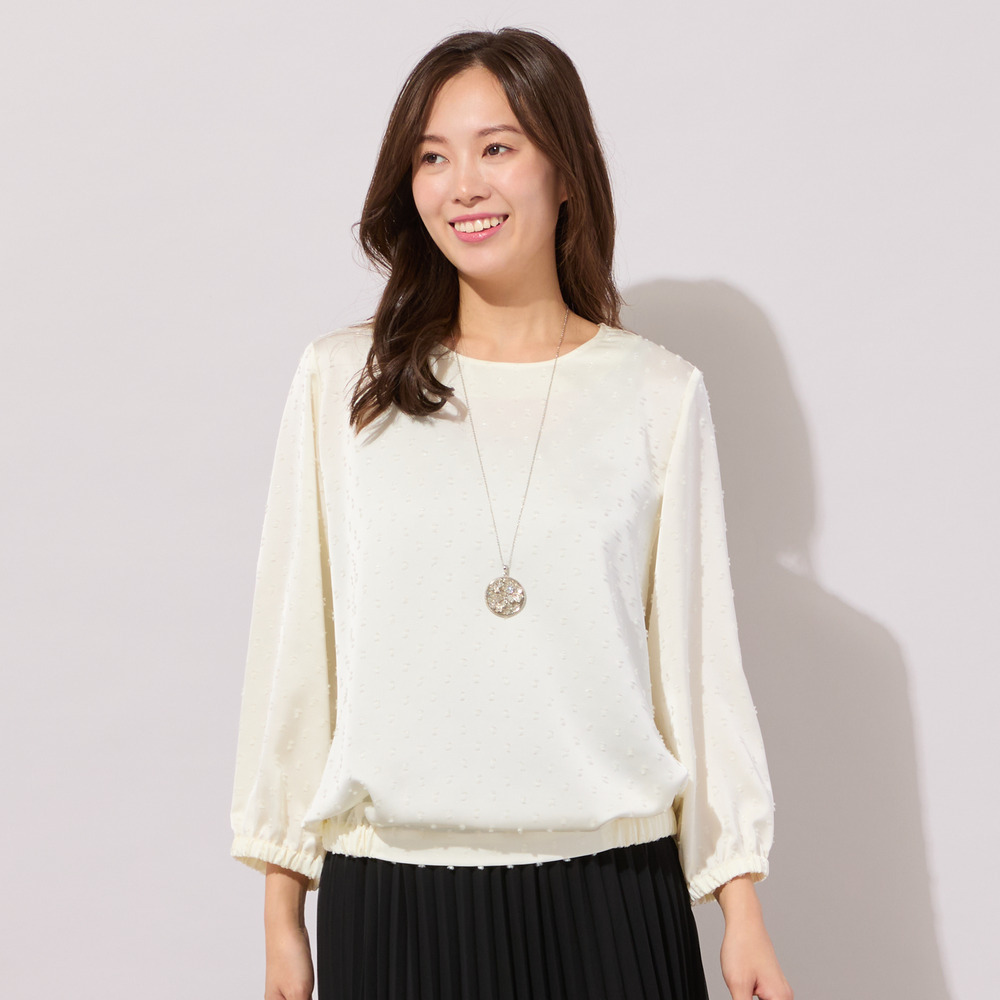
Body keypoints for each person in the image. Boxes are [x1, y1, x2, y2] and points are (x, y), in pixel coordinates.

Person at [230, 26, 793, 1000]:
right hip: (394, 894)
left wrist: (739, 908)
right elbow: (297, 649)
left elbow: (696, 668)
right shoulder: (345, 384)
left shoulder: (657, 394)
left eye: (496, 147)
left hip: (611, 892)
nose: (463, 186)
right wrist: (283, 911)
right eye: (432, 158)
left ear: (564, 169)